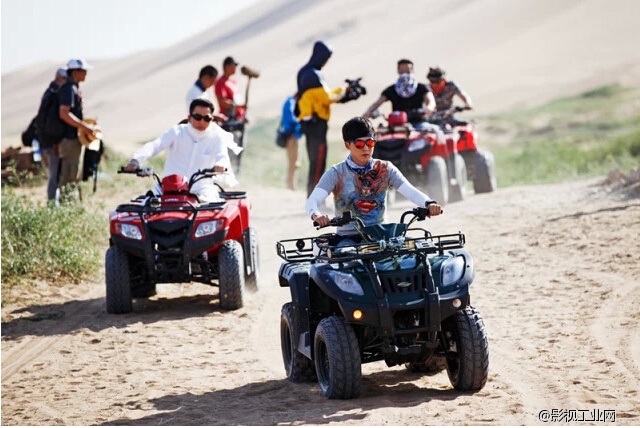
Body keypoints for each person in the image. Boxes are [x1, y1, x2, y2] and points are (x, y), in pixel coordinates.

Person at [306, 117, 442, 231]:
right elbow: (312, 201)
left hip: (382, 237)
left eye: (370, 143)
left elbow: (410, 191)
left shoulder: (386, 168)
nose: (366, 148)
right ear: (348, 145)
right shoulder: (336, 173)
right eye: (359, 144)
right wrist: (316, 215)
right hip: (347, 240)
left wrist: (429, 203)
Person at [123, 98, 237, 203]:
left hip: (201, 189)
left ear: (212, 119)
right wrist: (136, 161)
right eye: (198, 117)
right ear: (189, 117)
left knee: (213, 215)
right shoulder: (177, 132)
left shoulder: (216, 137)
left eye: (207, 118)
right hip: (167, 189)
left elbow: (222, 156)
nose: (202, 122)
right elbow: (155, 145)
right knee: (145, 210)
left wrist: (220, 164)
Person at [296, 40, 347, 196]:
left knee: (315, 161)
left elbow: (323, 96)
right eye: (326, 57)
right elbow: (326, 98)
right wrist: (345, 92)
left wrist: (343, 90)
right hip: (316, 125)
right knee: (318, 162)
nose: (326, 61)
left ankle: (313, 196)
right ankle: (316, 198)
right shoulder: (312, 74)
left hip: (310, 124)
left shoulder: (305, 72)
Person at [362, 59, 437, 131]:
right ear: (398, 71)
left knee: (430, 131)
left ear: (413, 70)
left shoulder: (421, 87)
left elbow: (431, 101)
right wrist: (366, 114)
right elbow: (377, 103)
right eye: (402, 71)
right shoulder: (391, 89)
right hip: (397, 126)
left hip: (418, 124)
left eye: (407, 71)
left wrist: (429, 108)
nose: (405, 74)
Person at [58, 59, 97, 191]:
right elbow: (64, 113)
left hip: (74, 139)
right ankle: (65, 206)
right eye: (83, 71)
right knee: (69, 174)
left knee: (74, 174)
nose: (86, 74)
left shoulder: (73, 88)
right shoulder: (68, 89)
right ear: (75, 72)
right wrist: (84, 127)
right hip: (69, 140)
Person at [36, 67, 67, 203]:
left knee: (55, 174)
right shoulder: (54, 94)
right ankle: (52, 204)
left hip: (47, 141)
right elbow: (52, 123)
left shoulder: (49, 93)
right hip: (52, 142)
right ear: (59, 78)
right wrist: (54, 142)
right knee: (54, 175)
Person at [279, 94, 302, 190]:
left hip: (292, 136)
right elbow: (291, 119)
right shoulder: (290, 103)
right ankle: (290, 185)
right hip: (291, 136)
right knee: (293, 162)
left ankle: (290, 184)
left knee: (294, 162)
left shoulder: (289, 102)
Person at [215, 56, 246, 120]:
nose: (235, 68)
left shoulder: (233, 81)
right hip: (228, 118)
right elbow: (222, 101)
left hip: (239, 117)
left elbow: (237, 98)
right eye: (234, 65)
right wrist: (237, 105)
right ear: (227, 66)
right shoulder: (220, 82)